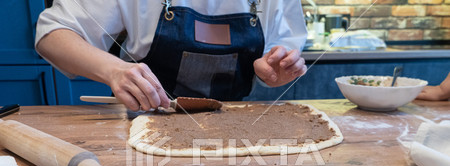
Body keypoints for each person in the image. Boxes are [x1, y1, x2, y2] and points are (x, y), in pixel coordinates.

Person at [35, 0, 308, 111]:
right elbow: (53, 34)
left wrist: (273, 68)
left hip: (231, 126)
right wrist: (114, 70)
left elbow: (280, 46)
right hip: (142, 121)